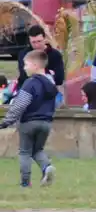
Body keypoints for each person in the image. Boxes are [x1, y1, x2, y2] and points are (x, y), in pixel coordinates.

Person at [2, 48, 58, 186]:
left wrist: (6, 122)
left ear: (35, 66)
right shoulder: (51, 84)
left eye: (26, 64)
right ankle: (46, 167)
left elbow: (20, 105)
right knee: (37, 150)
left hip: (28, 123)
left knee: (25, 152)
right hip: (46, 123)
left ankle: (25, 182)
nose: (24, 68)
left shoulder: (30, 83)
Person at [17, 25, 65, 108]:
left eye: (39, 41)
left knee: (57, 105)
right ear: (29, 41)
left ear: (45, 39)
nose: (37, 45)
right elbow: (24, 75)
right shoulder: (24, 54)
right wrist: (48, 73)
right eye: (33, 42)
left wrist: (37, 73)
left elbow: (59, 78)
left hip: (49, 91)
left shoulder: (55, 55)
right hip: (28, 90)